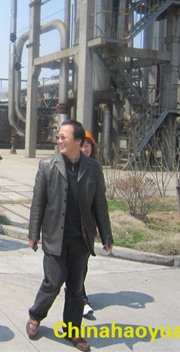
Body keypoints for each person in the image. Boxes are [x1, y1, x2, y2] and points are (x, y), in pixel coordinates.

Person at [26, 120, 113, 352]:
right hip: (55, 237)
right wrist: (33, 233)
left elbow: (100, 204)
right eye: (58, 137)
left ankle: (73, 330)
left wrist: (106, 235)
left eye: (64, 137)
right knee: (53, 282)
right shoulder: (47, 166)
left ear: (78, 141)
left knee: (76, 287)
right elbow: (38, 203)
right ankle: (35, 316)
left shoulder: (93, 168)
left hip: (81, 239)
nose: (59, 140)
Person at [78, 130, 98, 318]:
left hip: (87, 225)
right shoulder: (68, 166)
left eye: (88, 146)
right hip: (69, 225)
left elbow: (100, 202)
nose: (85, 149)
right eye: (82, 145)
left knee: (82, 264)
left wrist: (103, 230)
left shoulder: (95, 168)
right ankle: (80, 297)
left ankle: (80, 296)